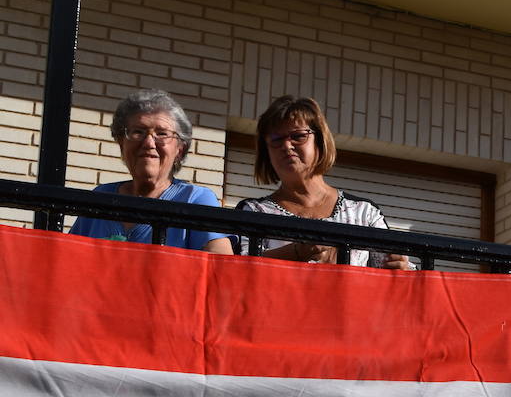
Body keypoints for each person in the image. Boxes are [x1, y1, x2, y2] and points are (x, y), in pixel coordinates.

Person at [236, 95, 411, 269]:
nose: (287, 146)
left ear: (319, 141)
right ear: (266, 152)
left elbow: (396, 272)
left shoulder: (364, 213)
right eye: (276, 139)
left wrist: (401, 268)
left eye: (298, 136)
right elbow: (238, 269)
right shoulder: (253, 213)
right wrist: (298, 251)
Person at [69, 90, 233, 253]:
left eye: (162, 133)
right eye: (137, 132)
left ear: (179, 150)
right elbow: (70, 259)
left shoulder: (195, 199)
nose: (148, 142)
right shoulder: (100, 197)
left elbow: (222, 269)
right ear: (121, 144)